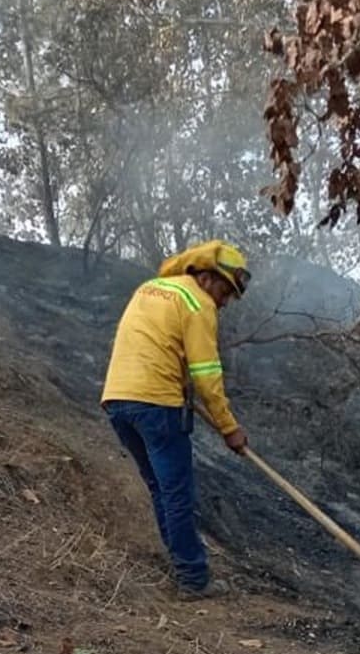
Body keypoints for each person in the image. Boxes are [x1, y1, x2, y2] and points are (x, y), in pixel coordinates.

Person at [99, 240, 251, 599]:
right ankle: (193, 579)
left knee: (161, 488)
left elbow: (147, 344)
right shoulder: (197, 303)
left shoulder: (150, 289)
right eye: (225, 293)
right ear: (207, 277)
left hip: (117, 400)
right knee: (177, 493)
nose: (224, 302)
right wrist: (229, 427)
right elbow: (206, 373)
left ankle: (182, 564)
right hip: (157, 405)